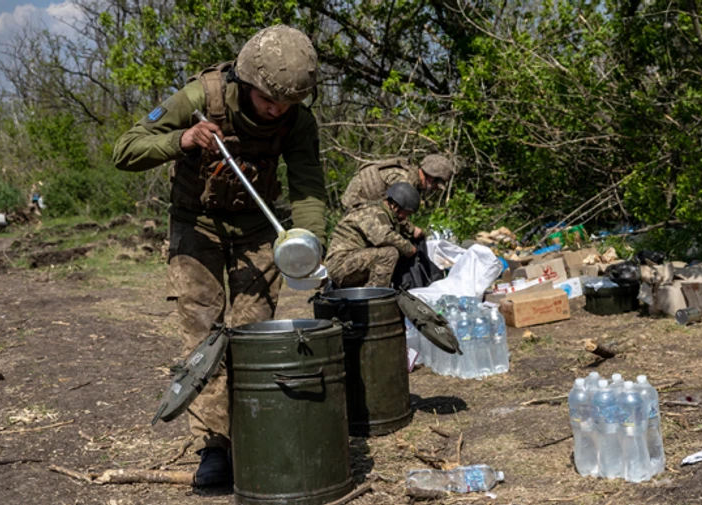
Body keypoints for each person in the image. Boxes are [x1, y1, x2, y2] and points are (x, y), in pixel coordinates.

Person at [111, 25, 327, 487]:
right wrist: (183, 140)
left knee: (253, 336)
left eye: (288, 102)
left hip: (257, 231)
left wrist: (308, 244)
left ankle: (252, 435)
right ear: (246, 82)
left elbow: (308, 185)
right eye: (269, 99)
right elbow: (125, 150)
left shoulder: (297, 121)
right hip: (196, 228)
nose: (277, 109)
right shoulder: (199, 97)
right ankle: (214, 446)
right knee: (204, 338)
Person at [326, 182, 420, 288]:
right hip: (340, 265)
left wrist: (415, 232)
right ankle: (375, 295)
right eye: (406, 213)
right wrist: (409, 248)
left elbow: (397, 226)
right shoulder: (372, 212)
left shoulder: (382, 213)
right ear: (395, 206)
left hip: (350, 262)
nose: (406, 217)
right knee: (389, 254)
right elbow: (384, 237)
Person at [339, 154, 455, 239]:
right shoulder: (405, 182)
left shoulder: (410, 179)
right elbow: (394, 214)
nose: (435, 189)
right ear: (431, 177)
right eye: (436, 184)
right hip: (358, 202)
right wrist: (412, 230)